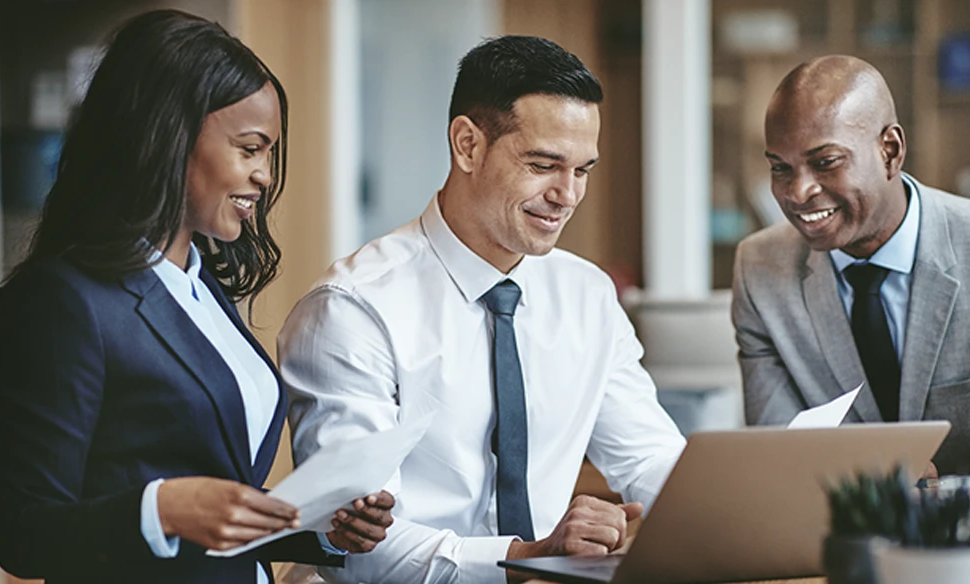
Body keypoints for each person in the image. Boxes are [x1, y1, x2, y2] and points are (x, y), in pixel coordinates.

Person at [0, 11, 393, 583]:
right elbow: (26, 535)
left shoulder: (201, 289)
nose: (265, 175)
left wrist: (319, 525)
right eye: (249, 149)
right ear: (168, 138)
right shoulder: (66, 302)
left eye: (269, 153)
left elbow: (214, 502)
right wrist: (163, 509)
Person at [277, 36, 687, 584]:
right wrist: (530, 556)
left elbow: (651, 459)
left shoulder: (587, 295)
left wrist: (726, 524)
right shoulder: (353, 310)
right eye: (544, 164)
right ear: (467, 145)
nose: (567, 195)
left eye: (582, 170)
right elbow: (359, 549)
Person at [733, 55, 970, 481]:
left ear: (890, 151)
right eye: (780, 168)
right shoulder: (760, 270)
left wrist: (937, 502)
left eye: (826, 162)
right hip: (831, 542)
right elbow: (778, 459)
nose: (798, 191)